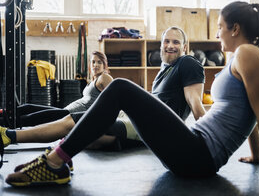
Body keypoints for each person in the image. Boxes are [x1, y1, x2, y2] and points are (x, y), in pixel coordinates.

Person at [6, 2, 259, 187]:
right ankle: (61, 158)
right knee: (113, 98)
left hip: (198, 155)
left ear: (235, 28)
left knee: (120, 88)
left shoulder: (248, 53)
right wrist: (257, 156)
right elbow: (249, 108)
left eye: (221, 27)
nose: (217, 34)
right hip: (193, 150)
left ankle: (56, 162)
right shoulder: (242, 56)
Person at [1, 26, 206, 151]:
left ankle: (10, 135)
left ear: (185, 47)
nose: (170, 45)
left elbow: (195, 103)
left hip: (154, 125)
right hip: (138, 119)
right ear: (160, 45)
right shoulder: (165, 69)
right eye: (166, 41)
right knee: (93, 137)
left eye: (176, 42)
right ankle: (101, 142)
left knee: (74, 121)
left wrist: (209, 141)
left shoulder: (187, 63)